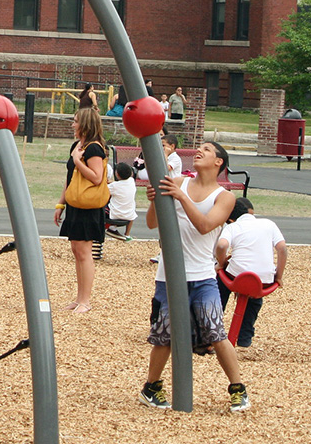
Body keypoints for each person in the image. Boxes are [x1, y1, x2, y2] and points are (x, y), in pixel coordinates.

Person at [139, 142, 249, 413]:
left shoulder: (225, 197)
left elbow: (204, 226)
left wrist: (180, 196)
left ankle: (238, 388)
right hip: (169, 274)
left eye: (208, 150)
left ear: (219, 162)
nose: (199, 151)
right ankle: (151, 387)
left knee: (215, 331)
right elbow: (153, 223)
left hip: (202, 276)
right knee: (164, 333)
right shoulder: (177, 182)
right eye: (199, 148)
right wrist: (155, 200)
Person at [54, 107, 107, 311]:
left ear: (84, 124)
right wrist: (61, 203)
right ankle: (79, 298)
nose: (73, 124)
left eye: (75, 121)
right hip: (75, 203)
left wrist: (78, 161)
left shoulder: (94, 149)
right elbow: (70, 179)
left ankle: (86, 300)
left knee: (85, 252)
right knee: (76, 250)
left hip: (89, 206)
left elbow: (97, 177)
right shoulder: (77, 146)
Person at [214, 197, 286, 348]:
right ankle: (245, 337)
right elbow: (282, 249)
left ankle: (214, 327)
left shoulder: (232, 227)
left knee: (220, 283)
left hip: (237, 275)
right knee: (254, 291)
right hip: (263, 279)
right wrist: (278, 276)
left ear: (231, 219)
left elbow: (221, 246)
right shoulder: (269, 224)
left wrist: (221, 264)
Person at [106, 162, 137, 241]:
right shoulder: (131, 181)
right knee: (132, 207)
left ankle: (108, 226)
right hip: (129, 216)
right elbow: (121, 185)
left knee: (101, 205)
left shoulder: (114, 186)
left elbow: (103, 190)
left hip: (114, 215)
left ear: (117, 174)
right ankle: (127, 234)